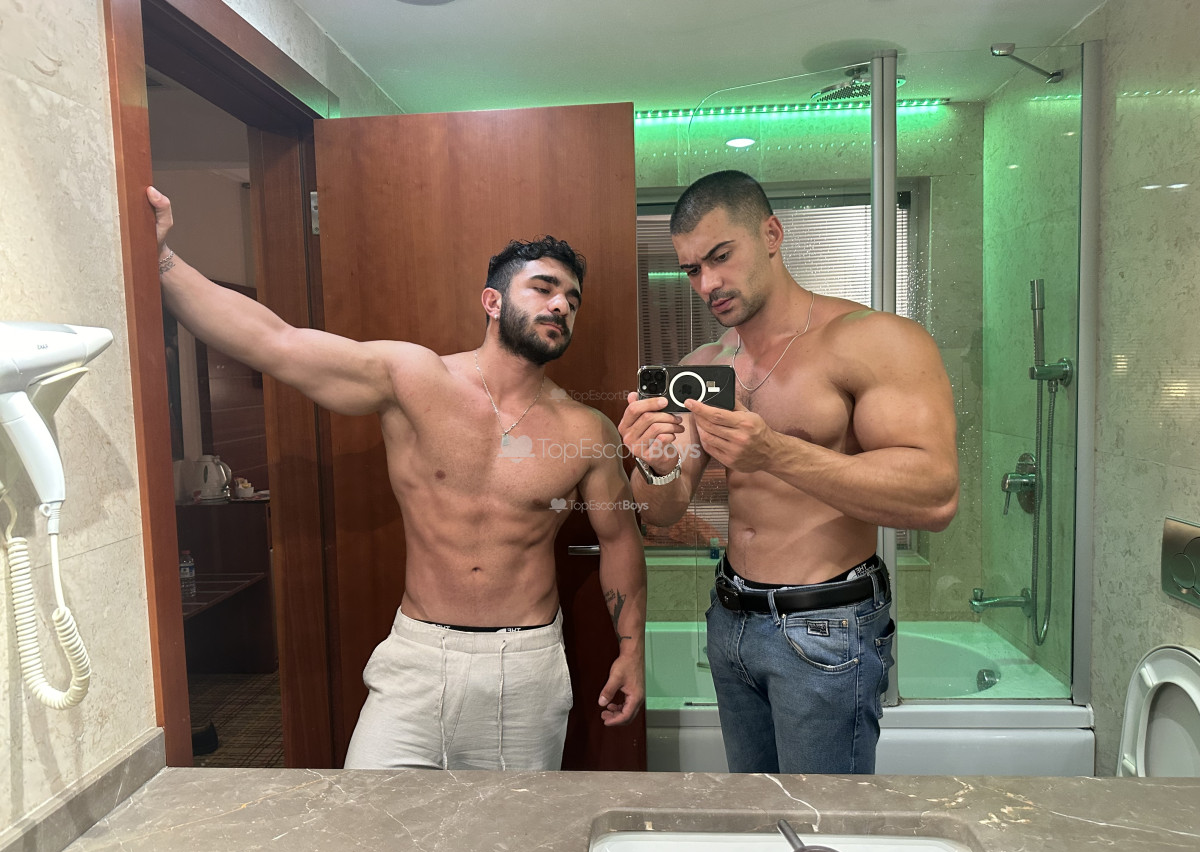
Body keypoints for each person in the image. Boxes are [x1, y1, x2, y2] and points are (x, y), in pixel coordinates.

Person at [147, 186, 646, 771]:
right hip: (418, 656)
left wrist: (633, 649)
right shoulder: (415, 378)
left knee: (512, 829)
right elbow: (275, 342)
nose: (561, 305)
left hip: (526, 663)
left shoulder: (586, 429)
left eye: (572, 299)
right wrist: (160, 258)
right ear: (492, 301)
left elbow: (620, 540)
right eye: (543, 288)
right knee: (370, 818)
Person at [618, 170, 958, 774]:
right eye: (692, 269)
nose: (707, 284)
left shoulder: (872, 340)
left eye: (721, 256)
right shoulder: (706, 365)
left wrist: (774, 452)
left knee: (819, 820)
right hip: (731, 620)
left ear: (771, 234)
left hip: (825, 623)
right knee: (757, 814)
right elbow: (661, 511)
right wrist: (656, 465)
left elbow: (934, 496)